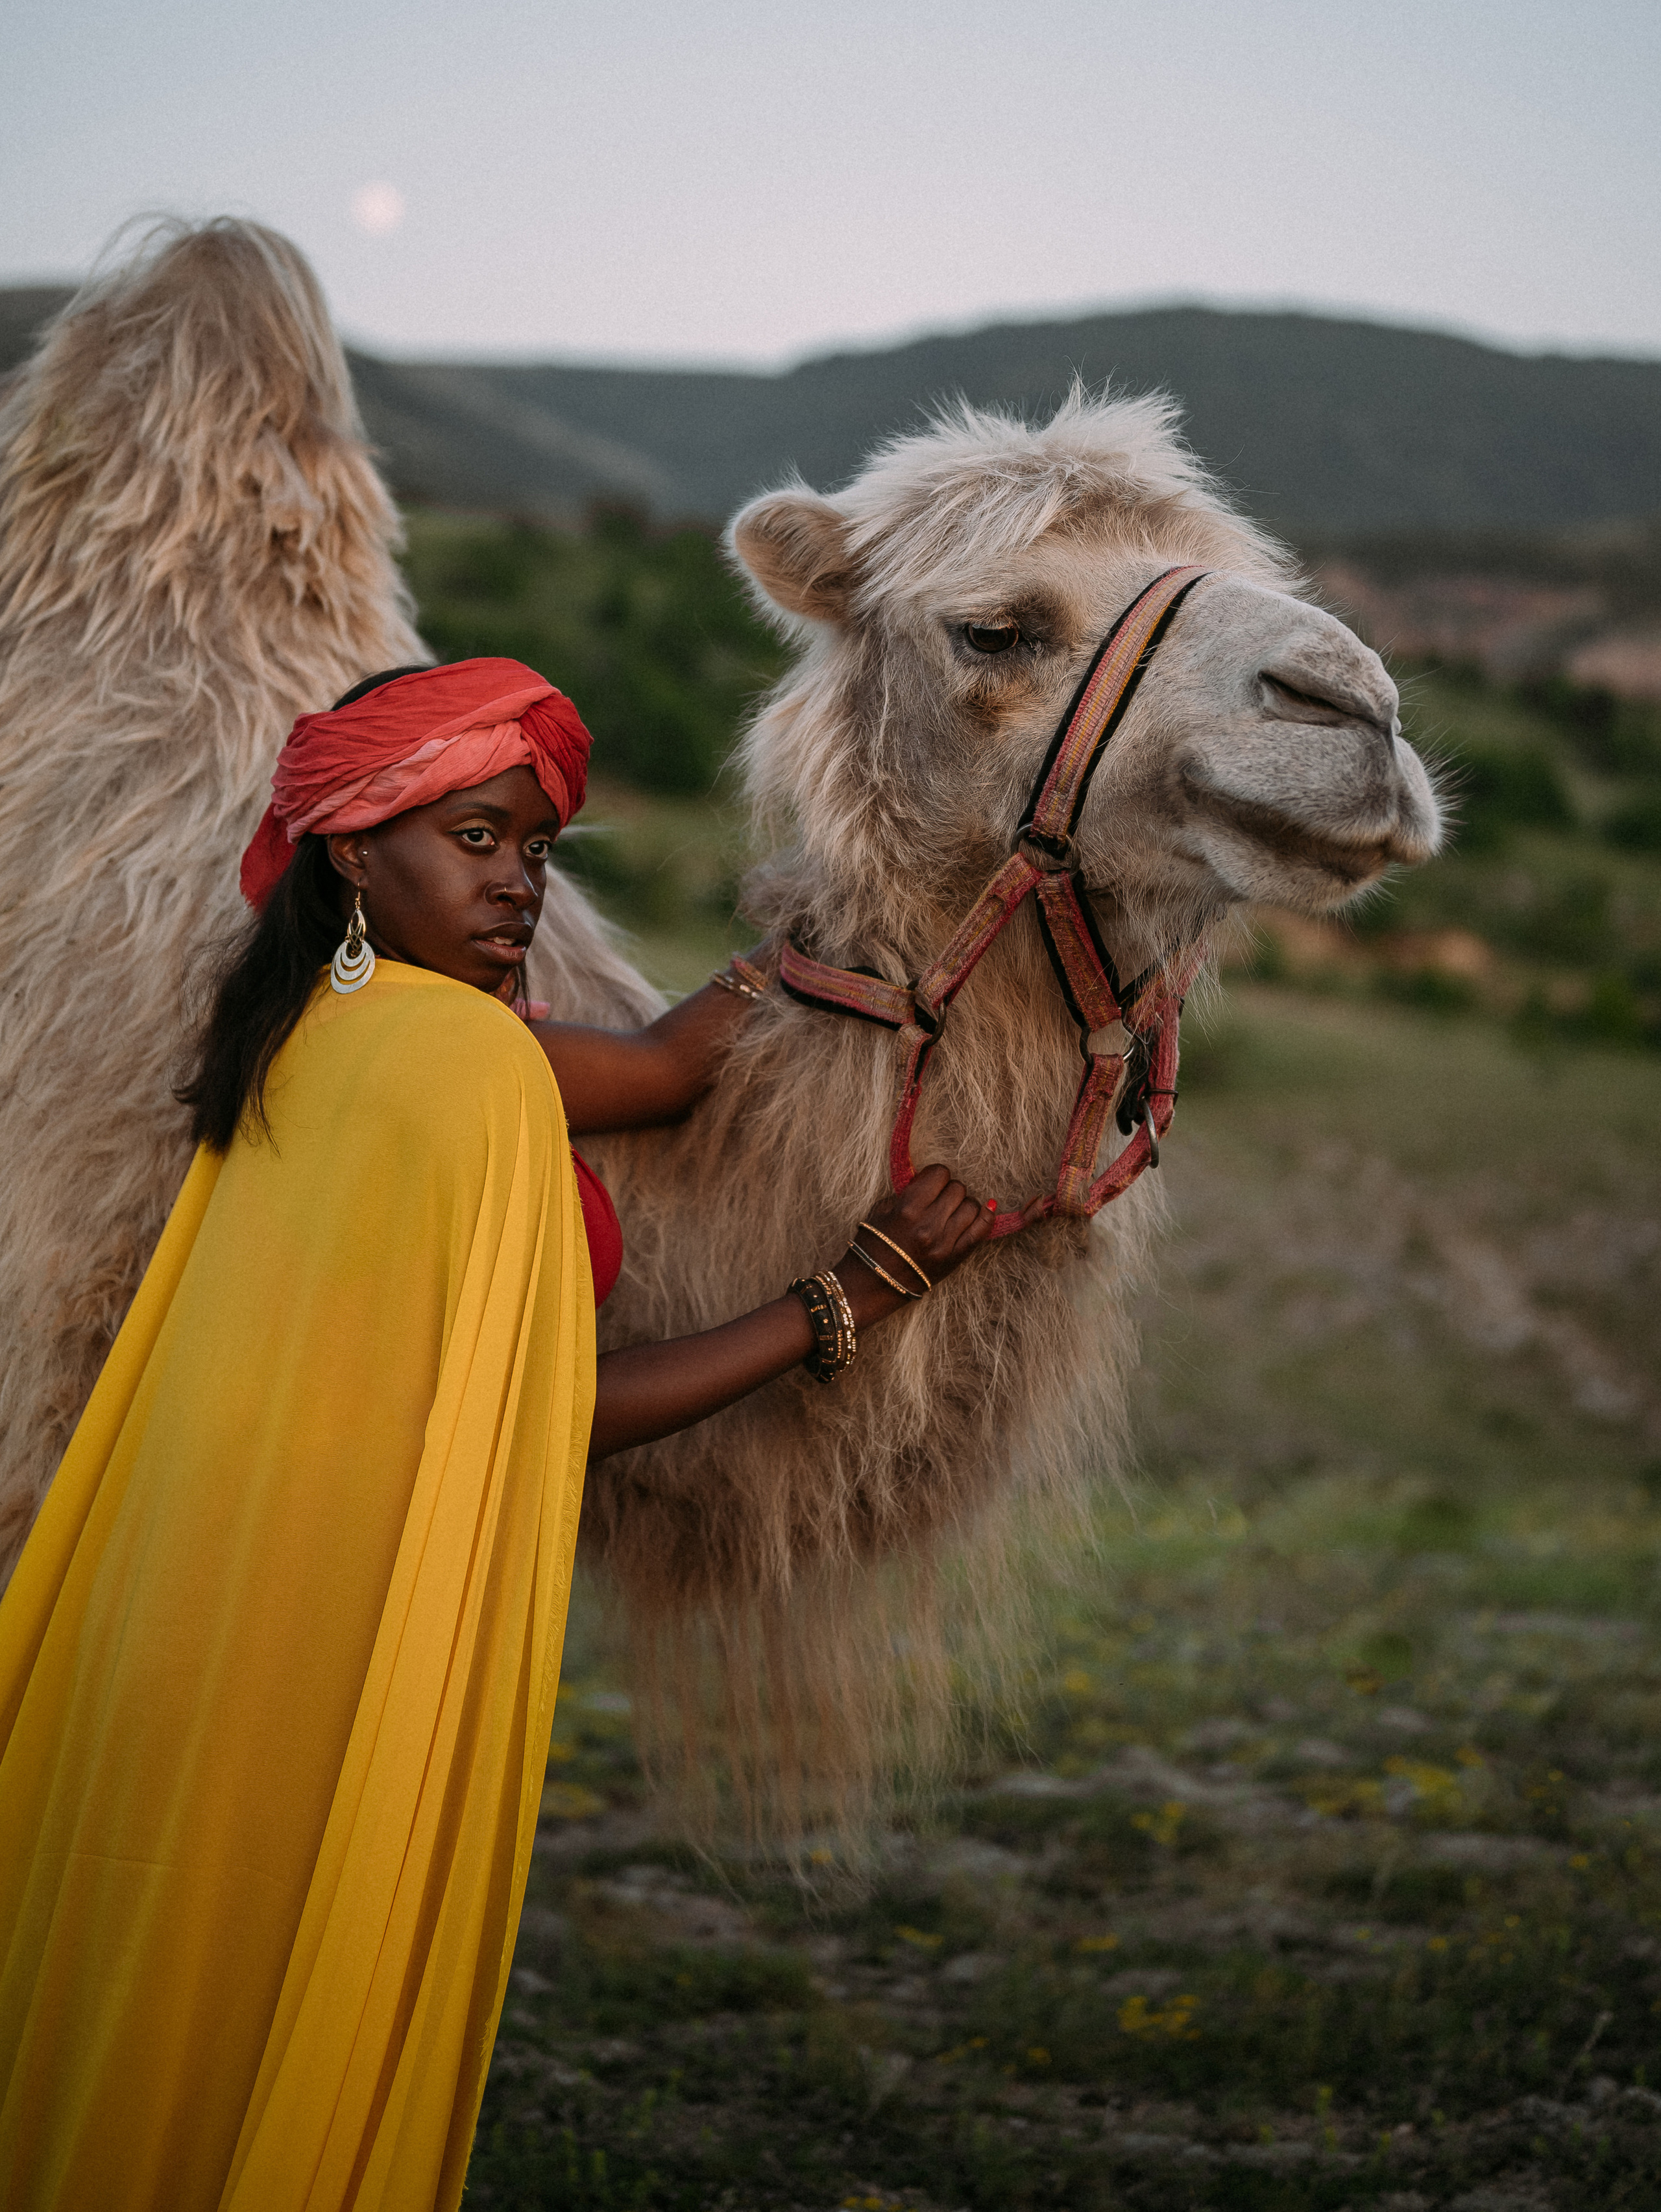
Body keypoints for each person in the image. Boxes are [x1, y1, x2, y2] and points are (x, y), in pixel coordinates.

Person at [0, 658, 996, 2211]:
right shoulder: (460, 1063)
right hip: (330, 1630)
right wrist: (849, 1294)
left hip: (186, 1605)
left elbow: (664, 1073)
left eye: (533, 848)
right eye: (474, 837)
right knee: (278, 1992)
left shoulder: (317, 1035)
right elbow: (553, 1410)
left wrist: (806, 938)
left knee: (150, 1983)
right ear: (350, 844)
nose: (516, 882)